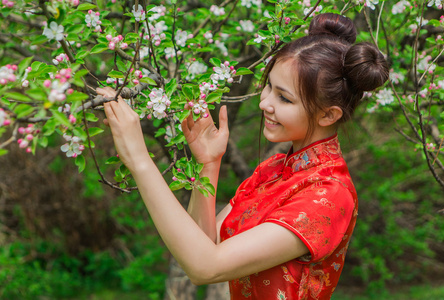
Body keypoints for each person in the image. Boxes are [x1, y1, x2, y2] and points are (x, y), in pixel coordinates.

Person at [97, 13, 389, 300]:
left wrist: (140, 160)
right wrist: (208, 164)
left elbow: (205, 268)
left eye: (284, 98)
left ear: (328, 114)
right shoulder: (274, 169)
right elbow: (204, 246)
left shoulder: (327, 195)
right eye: (268, 87)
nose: (264, 102)